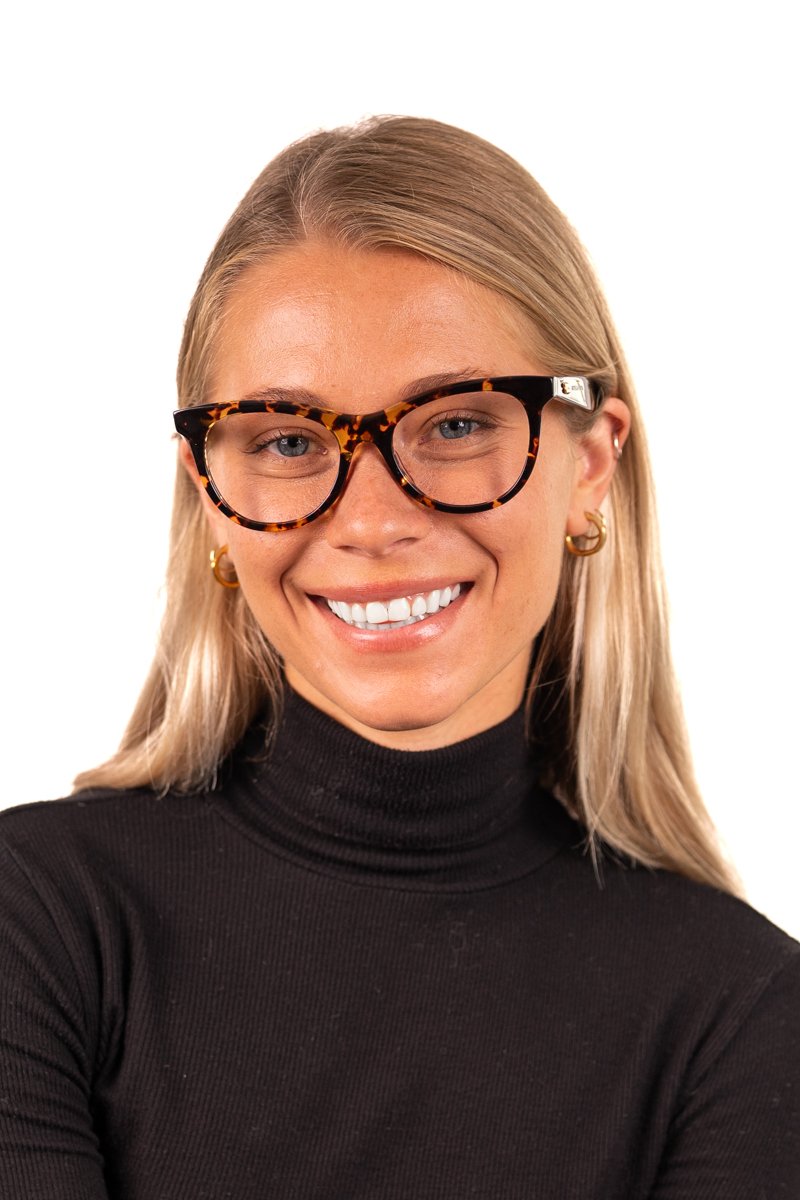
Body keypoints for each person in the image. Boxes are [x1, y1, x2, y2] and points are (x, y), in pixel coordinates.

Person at [1, 117, 798, 1199]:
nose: (373, 522)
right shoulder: (40, 922)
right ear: (211, 495)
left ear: (590, 464)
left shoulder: (742, 1017)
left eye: (457, 425)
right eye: (288, 441)